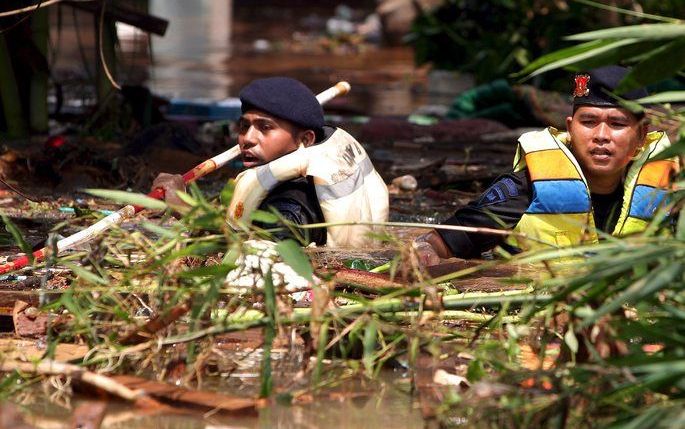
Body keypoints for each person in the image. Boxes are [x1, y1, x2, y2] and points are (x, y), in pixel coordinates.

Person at [414, 65, 678, 266]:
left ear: (642, 136)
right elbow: (440, 242)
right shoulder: (527, 188)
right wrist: (422, 254)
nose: (601, 135)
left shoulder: (668, 194)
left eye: (617, 124)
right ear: (570, 129)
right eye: (588, 122)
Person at [153, 77, 389, 247]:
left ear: (305, 140)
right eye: (244, 126)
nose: (248, 139)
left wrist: (185, 210)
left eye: (265, 128)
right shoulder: (304, 178)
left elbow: (255, 261)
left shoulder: (289, 206)